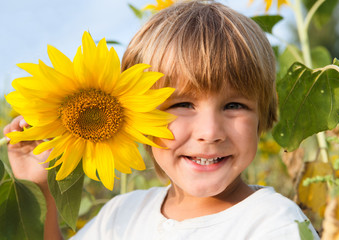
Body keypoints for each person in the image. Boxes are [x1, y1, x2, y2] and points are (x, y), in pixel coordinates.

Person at [3, 1, 320, 239]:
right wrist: (39, 186)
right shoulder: (121, 215)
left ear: (263, 116)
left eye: (234, 105)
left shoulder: (274, 223)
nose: (210, 132)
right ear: (136, 116)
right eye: (182, 104)